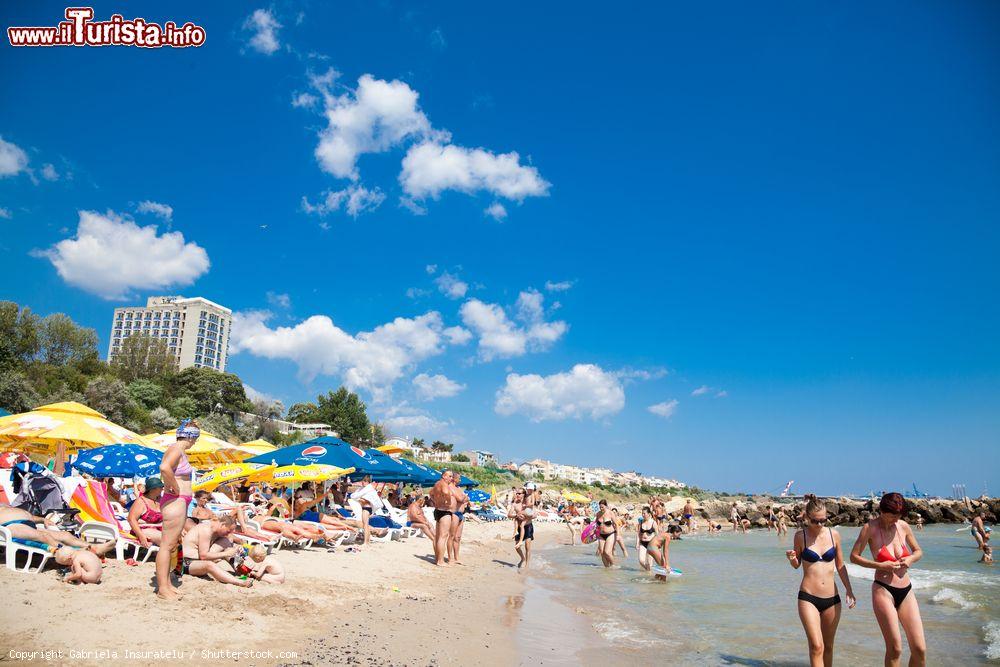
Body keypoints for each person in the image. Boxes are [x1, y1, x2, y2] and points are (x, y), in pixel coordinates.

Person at [850, 492, 926, 667]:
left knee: (919, 649)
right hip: (883, 590)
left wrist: (910, 559)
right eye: (892, 516)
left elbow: (918, 551)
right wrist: (880, 565)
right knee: (895, 649)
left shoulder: (903, 526)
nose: (895, 519)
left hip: (906, 590)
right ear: (882, 511)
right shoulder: (869, 528)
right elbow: (854, 557)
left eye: (899, 516)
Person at [785, 498, 856, 667]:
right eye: (815, 521)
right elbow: (796, 565)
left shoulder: (834, 535)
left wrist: (849, 590)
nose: (819, 524)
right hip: (808, 597)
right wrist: (792, 559)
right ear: (807, 518)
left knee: (828, 647)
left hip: (832, 599)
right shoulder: (800, 536)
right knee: (817, 646)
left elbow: (840, 565)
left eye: (823, 520)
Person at [155, 419, 198, 600]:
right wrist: (175, 486)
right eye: (195, 438)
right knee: (166, 545)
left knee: (171, 544)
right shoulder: (176, 449)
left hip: (178, 501)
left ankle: (167, 584)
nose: (195, 442)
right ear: (191, 437)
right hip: (175, 500)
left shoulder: (178, 450)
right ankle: (162, 589)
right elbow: (164, 468)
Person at [180, 515, 252, 588]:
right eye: (228, 531)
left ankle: (242, 570)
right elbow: (203, 556)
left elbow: (229, 544)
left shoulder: (216, 531)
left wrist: (237, 549)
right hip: (187, 563)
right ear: (222, 525)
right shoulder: (206, 530)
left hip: (199, 560)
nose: (228, 534)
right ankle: (239, 582)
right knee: (209, 565)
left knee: (225, 541)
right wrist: (227, 553)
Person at [126, 476, 164, 549]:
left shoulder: (159, 500)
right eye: (161, 487)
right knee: (167, 540)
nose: (162, 489)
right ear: (153, 489)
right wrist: (141, 536)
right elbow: (131, 519)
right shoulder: (141, 501)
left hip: (157, 529)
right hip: (143, 530)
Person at [430, 470, 457, 566]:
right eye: (449, 476)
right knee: (443, 537)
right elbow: (446, 492)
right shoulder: (444, 484)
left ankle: (437, 558)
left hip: (438, 510)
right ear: (443, 476)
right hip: (444, 512)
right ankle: (440, 561)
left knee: (438, 537)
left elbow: (431, 493)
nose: (451, 478)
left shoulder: (437, 484)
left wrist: (436, 502)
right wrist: (448, 502)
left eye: (452, 476)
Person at [449, 476, 469, 565]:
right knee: (451, 536)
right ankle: (450, 558)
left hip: (461, 514)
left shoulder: (459, 488)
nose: (460, 480)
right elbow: (461, 499)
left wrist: (464, 498)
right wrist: (464, 498)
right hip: (454, 513)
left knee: (458, 537)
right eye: (459, 478)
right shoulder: (451, 487)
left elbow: (467, 499)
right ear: (454, 478)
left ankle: (457, 558)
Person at [595, 500, 617, 568]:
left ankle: (613, 565)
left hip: (610, 534)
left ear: (606, 506)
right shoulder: (598, 514)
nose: (601, 509)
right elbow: (596, 524)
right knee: (602, 552)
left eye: (602, 507)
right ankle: (607, 568)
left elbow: (616, 524)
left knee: (607, 552)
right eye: (600, 507)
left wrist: (618, 534)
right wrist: (594, 532)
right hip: (601, 535)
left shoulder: (610, 513)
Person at [636, 506, 658, 571]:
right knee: (641, 560)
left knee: (649, 563)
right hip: (642, 543)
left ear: (649, 514)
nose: (643, 515)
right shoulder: (641, 522)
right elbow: (638, 533)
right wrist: (637, 543)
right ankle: (648, 570)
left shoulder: (653, 522)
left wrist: (657, 545)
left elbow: (657, 535)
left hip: (651, 544)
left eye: (644, 513)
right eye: (642, 513)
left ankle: (649, 573)